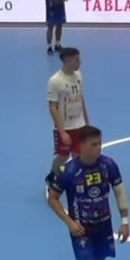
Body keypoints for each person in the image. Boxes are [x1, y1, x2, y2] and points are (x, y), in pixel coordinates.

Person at [47, 126, 130, 260]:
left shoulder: (108, 165)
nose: (98, 148)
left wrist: (124, 220)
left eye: (100, 143)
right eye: (93, 144)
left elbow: (119, 191)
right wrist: (69, 222)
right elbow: (52, 199)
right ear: (81, 146)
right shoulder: (68, 171)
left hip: (103, 225)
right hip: (81, 231)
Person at [46, 47, 88, 195]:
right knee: (63, 156)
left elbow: (81, 98)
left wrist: (87, 120)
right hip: (66, 127)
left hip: (80, 124)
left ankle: (77, 181)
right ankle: (52, 175)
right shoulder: (55, 80)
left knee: (79, 154)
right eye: (77, 59)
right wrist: (62, 131)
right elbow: (53, 107)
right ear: (67, 60)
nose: (80, 62)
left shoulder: (78, 75)